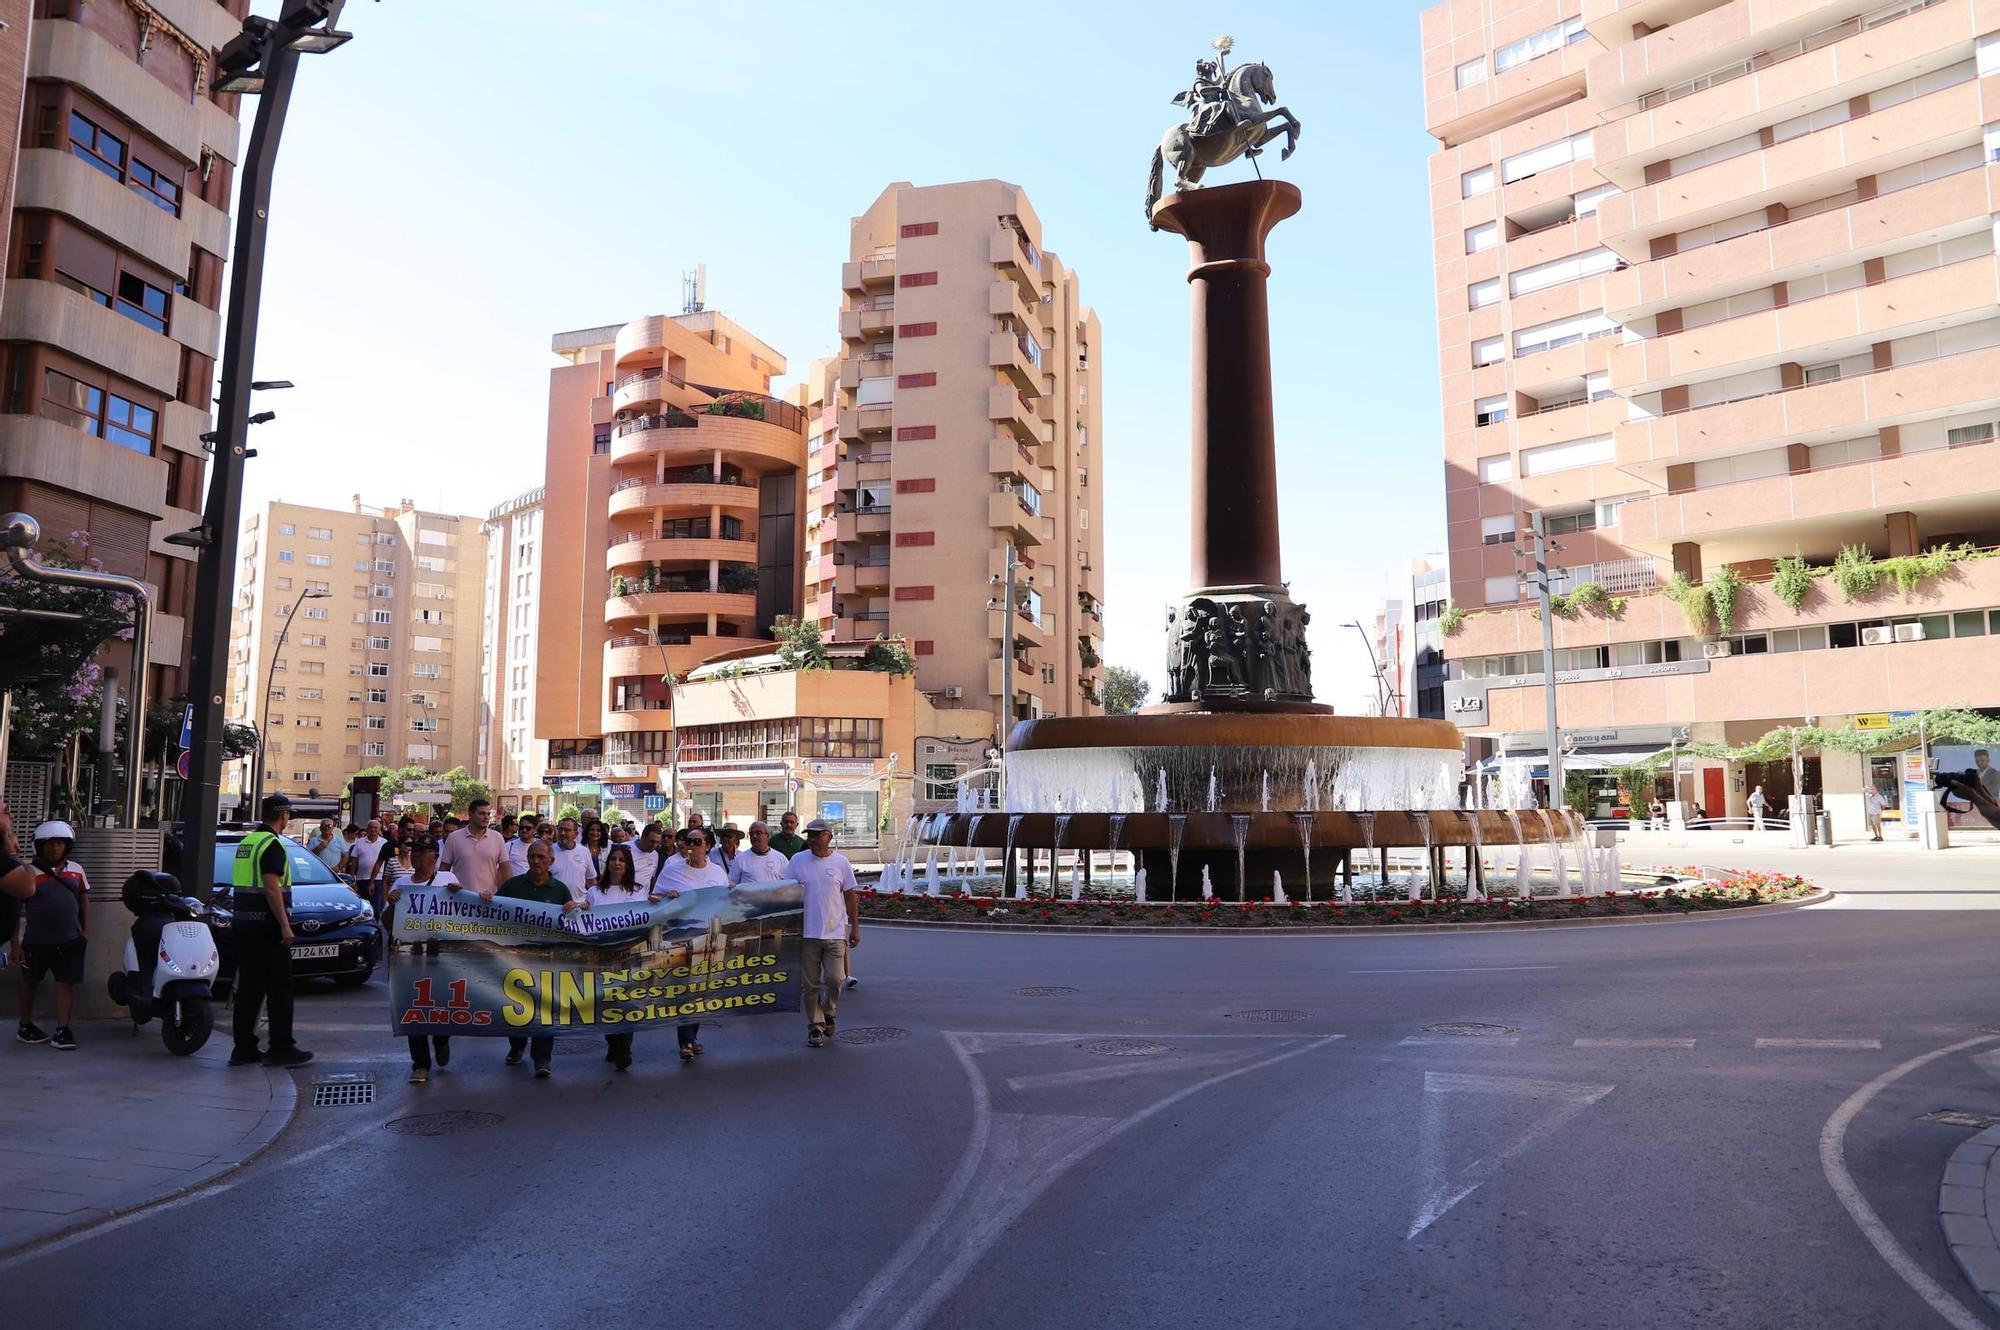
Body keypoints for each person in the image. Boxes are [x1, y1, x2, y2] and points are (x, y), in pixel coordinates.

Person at [230, 796, 312, 1068]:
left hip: (244, 924)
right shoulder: (272, 844)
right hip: (267, 927)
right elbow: (271, 886)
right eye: (288, 814)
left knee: (249, 989)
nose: (288, 818)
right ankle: (281, 1047)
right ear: (283, 815)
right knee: (280, 988)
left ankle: (243, 1048)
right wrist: (285, 925)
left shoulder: (248, 842)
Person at [497, 839, 577, 1077]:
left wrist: (573, 908)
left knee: (545, 1008)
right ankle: (517, 1046)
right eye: (532, 856)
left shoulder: (559, 889)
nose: (536, 861)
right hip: (515, 958)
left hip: (547, 961)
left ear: (551, 860)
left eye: (541, 857)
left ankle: (542, 1059)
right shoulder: (512, 886)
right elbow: (492, 912)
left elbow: (571, 923)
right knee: (517, 1005)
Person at [386, 837, 457, 1083]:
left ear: (434, 856)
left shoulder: (447, 879)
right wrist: (392, 905)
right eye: (414, 850)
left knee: (442, 1004)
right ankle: (421, 1064)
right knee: (413, 1007)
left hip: (441, 954)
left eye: (423, 851)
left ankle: (442, 1038)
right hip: (410, 956)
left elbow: (463, 915)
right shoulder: (402, 883)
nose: (416, 855)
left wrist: (459, 895)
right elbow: (387, 923)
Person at [658, 828, 730, 1063]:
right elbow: (653, 899)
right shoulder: (671, 870)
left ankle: (693, 1036)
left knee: (700, 990)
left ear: (707, 846)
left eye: (697, 841)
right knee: (684, 989)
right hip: (680, 938)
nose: (691, 845)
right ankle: (686, 1041)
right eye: (688, 841)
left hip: (709, 938)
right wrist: (666, 897)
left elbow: (725, 903)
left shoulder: (717, 872)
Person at [15, 822, 88, 1049]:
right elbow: (15, 909)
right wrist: (15, 944)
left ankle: (63, 1029)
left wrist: (85, 932)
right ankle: (25, 1026)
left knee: (65, 984)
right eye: (49, 844)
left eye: (60, 843)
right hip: (36, 941)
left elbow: (84, 900)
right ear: (39, 846)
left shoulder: (76, 870)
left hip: (70, 940)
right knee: (29, 983)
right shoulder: (28, 873)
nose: (55, 848)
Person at [788, 818, 859, 1049]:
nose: (813, 839)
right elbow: (784, 891)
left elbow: (850, 896)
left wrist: (855, 927)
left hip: (835, 932)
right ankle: (815, 1026)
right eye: (810, 835)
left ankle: (829, 1011)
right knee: (810, 985)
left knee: (835, 979)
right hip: (807, 932)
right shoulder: (797, 861)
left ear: (829, 837)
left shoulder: (841, 862)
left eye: (817, 835)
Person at [588, 844, 653, 1070]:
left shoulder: (637, 891)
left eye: (622, 860)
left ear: (628, 865)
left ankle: (624, 1049)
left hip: (628, 956)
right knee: (606, 1002)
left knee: (626, 1001)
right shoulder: (595, 892)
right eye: (613, 859)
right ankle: (613, 1044)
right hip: (603, 955)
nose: (617, 863)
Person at [440, 799, 510, 902]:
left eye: (488, 814)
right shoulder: (454, 838)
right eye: (482, 813)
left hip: (489, 900)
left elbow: (506, 870)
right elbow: (443, 871)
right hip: (460, 900)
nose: (486, 817)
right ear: (470, 815)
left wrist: (506, 895)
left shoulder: (497, 837)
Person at [344, 819, 392, 910]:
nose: (373, 830)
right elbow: (354, 862)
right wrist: (352, 879)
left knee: (377, 906)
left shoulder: (384, 842)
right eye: (371, 827)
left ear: (379, 829)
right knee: (363, 906)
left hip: (378, 879)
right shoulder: (359, 842)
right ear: (367, 829)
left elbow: (388, 861)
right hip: (361, 879)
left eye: (376, 828)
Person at [728, 821, 790, 885]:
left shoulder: (780, 858)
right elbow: (731, 883)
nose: (754, 836)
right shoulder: (740, 859)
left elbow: (788, 883)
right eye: (751, 833)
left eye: (758, 833)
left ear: (767, 836)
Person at [549, 817, 596, 902]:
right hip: (554, 905)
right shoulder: (548, 851)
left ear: (576, 834)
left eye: (567, 830)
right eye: (560, 829)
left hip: (579, 904)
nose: (562, 833)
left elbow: (591, 880)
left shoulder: (584, 852)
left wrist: (594, 901)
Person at [630, 821, 667, 891]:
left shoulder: (655, 855)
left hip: (644, 896)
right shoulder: (625, 849)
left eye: (657, 842)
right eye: (651, 841)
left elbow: (652, 878)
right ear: (643, 837)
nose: (654, 845)